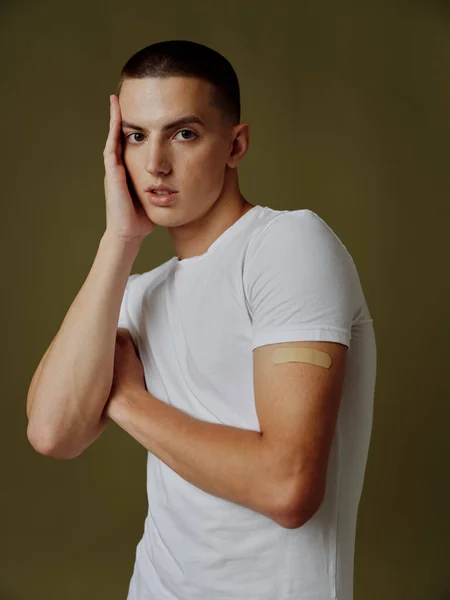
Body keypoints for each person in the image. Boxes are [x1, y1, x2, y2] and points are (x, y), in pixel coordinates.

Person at [27, 40, 377, 600]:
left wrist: (124, 399)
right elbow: (51, 433)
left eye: (183, 133)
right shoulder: (138, 291)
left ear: (235, 144)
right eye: (135, 136)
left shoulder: (286, 246)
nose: (154, 164)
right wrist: (120, 239)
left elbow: (288, 488)